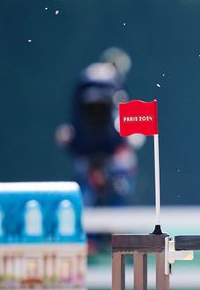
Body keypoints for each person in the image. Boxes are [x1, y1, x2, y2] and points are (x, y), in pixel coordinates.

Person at [55, 47, 140, 206]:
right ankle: (120, 223)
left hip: (84, 151)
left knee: (83, 193)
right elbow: (122, 118)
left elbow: (73, 117)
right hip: (112, 152)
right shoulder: (117, 82)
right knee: (122, 188)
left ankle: (81, 222)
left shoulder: (85, 78)